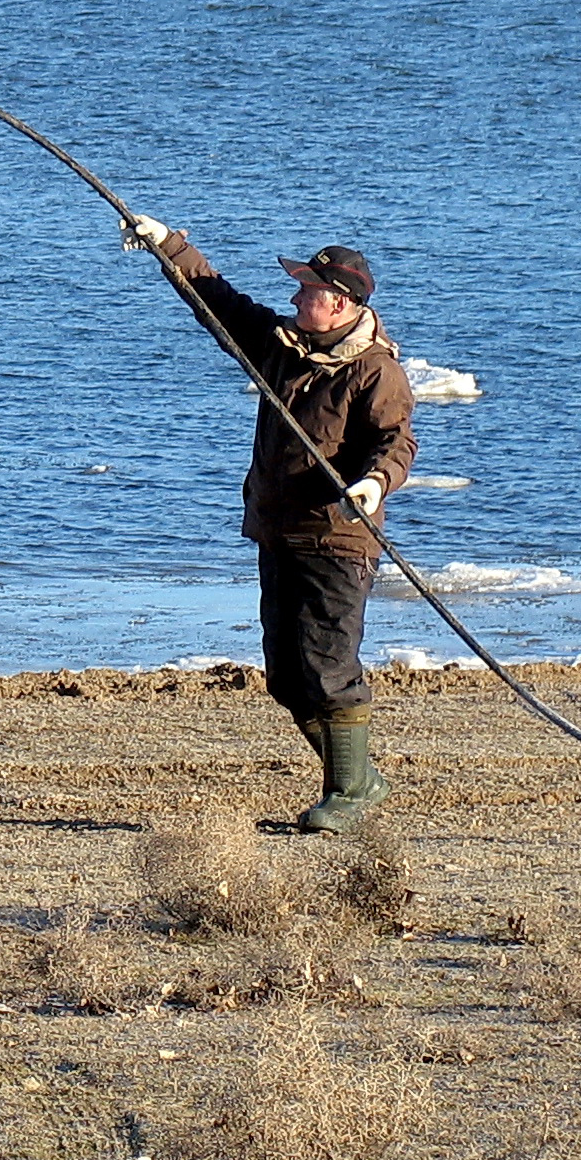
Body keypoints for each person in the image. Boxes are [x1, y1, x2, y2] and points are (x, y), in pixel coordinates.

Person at [122, 216, 415, 831]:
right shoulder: (281, 346)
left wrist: (372, 483)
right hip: (278, 531)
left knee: (329, 667)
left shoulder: (377, 371)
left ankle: (353, 791)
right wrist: (166, 243)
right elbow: (219, 302)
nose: (293, 297)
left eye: (305, 289)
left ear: (339, 302)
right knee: (286, 676)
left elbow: (395, 443)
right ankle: (356, 780)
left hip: (338, 540)